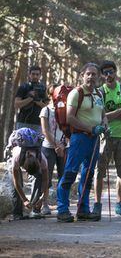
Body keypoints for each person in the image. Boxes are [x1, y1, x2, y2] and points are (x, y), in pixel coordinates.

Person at [56, 63, 108, 223]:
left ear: (99, 77)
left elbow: (103, 115)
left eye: (94, 74)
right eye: (88, 74)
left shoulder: (99, 94)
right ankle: (62, 209)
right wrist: (91, 129)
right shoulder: (75, 93)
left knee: (88, 175)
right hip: (79, 138)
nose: (91, 77)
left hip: (94, 139)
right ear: (82, 75)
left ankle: (83, 209)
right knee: (70, 172)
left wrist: (105, 126)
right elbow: (70, 118)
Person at [93, 60, 121, 219]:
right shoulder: (99, 92)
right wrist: (118, 112)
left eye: (111, 72)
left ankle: (120, 204)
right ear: (102, 75)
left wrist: (111, 114)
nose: (109, 75)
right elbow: (97, 116)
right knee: (99, 173)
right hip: (104, 137)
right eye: (105, 72)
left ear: (116, 72)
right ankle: (97, 205)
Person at [7, 128, 48, 220]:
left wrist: (42, 198)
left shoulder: (43, 160)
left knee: (38, 178)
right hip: (13, 146)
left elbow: (46, 180)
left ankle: (35, 209)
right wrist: (24, 199)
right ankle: (17, 214)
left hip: (31, 151)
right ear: (23, 165)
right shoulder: (17, 158)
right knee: (17, 184)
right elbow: (16, 182)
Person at [39, 84, 67, 215]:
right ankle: (44, 203)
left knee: (64, 176)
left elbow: (68, 129)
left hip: (63, 147)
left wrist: (63, 145)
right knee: (46, 176)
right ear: (50, 95)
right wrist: (56, 145)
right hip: (48, 147)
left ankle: (62, 204)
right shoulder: (46, 110)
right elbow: (45, 130)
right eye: (54, 94)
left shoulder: (65, 109)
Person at [14, 66, 47, 133]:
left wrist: (38, 101)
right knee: (21, 142)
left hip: (38, 123)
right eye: (33, 74)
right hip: (23, 122)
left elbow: (47, 107)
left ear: (40, 75)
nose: (35, 76)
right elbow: (16, 104)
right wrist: (30, 98)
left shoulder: (43, 88)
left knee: (37, 143)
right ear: (29, 75)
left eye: (37, 74)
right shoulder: (23, 87)